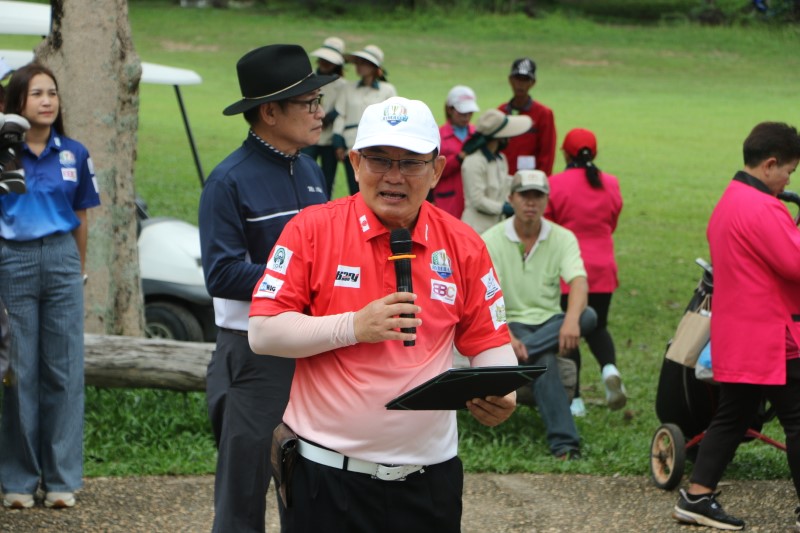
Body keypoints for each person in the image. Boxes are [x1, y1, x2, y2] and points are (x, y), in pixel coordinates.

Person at [248, 96, 517, 532]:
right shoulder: (312, 229)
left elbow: (490, 341)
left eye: (411, 162)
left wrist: (501, 388)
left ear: (437, 170)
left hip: (429, 479)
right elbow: (263, 332)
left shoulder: (464, 245)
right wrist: (354, 326)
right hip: (326, 476)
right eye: (379, 160)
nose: (394, 176)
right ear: (355, 163)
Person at [198, 44, 334, 533]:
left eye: (318, 100)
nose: (320, 112)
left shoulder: (311, 169)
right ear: (270, 112)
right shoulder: (227, 182)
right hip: (253, 355)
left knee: (314, 486)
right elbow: (221, 274)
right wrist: (300, 275)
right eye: (308, 103)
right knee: (242, 497)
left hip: (313, 349)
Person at [672, 122, 800, 531]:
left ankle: (697, 496)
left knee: (733, 415)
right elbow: (795, 265)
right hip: (771, 337)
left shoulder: (730, 199)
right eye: (789, 172)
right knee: (797, 419)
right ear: (770, 164)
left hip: (738, 334)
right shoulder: (764, 208)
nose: (788, 181)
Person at [0, 63, 101, 509]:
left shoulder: (74, 153)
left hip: (62, 260)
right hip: (13, 260)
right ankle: (19, 481)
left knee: (64, 370)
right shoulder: (5, 153)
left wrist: (78, 270)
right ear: (17, 101)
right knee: (19, 372)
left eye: (53, 93)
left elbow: (82, 216)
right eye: (37, 93)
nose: (47, 101)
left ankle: (61, 479)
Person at [482, 169, 597, 460]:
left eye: (538, 196)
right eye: (524, 195)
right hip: (512, 323)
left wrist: (571, 321)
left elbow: (579, 282)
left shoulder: (562, 237)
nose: (531, 202)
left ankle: (520, 354)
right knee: (544, 360)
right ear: (511, 199)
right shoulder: (491, 239)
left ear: (547, 200)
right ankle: (565, 445)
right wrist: (506, 336)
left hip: (550, 323)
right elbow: (486, 295)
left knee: (588, 316)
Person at [544, 128, 626, 416]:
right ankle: (609, 369)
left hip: (569, 269)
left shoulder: (554, 184)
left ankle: (575, 398)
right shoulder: (611, 183)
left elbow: (548, 227)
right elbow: (612, 220)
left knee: (570, 331)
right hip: (603, 267)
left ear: (565, 154)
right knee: (598, 325)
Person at [332, 45, 397, 195]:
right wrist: (337, 141)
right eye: (358, 62)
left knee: (375, 186)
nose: (359, 66)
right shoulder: (348, 88)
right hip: (351, 144)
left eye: (364, 63)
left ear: (374, 67)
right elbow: (341, 115)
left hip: (378, 144)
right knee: (354, 187)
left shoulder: (387, 90)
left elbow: (392, 117)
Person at [461, 108, 532, 234]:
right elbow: (477, 200)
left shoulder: (500, 159)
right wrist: (503, 208)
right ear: (498, 138)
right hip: (476, 229)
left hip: (496, 227)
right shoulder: (474, 162)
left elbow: (504, 183)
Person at [301, 37, 348, 199]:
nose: (325, 63)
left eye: (330, 61)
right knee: (304, 172)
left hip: (329, 138)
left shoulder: (342, 85)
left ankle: (325, 205)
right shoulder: (309, 80)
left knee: (327, 178)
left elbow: (341, 108)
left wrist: (327, 118)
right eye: (323, 59)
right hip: (308, 136)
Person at [497, 57, 556, 176]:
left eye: (525, 80)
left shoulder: (543, 114)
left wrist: (541, 181)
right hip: (503, 178)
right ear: (510, 80)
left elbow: (547, 153)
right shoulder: (500, 113)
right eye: (517, 79)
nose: (520, 84)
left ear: (532, 83)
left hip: (530, 180)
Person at [433, 85, 479, 218]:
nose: (467, 117)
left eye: (470, 113)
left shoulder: (477, 134)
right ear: (450, 109)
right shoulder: (438, 136)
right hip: (448, 200)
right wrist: (458, 158)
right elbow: (433, 170)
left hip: (473, 199)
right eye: (462, 113)